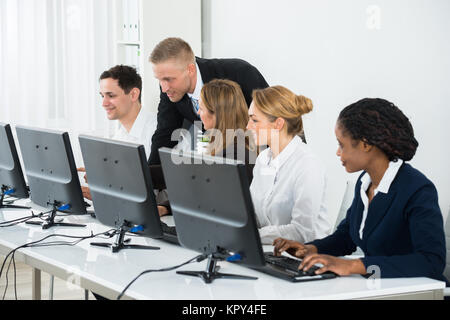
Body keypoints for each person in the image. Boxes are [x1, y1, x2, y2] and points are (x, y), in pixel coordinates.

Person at [273, 98, 448, 283]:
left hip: (419, 291)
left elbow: (431, 261)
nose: (338, 152)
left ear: (366, 144)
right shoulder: (365, 182)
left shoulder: (417, 189)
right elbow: (347, 236)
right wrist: (311, 249)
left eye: (342, 144)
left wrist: (354, 265)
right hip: (382, 287)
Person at [148, 37, 268, 165]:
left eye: (169, 79)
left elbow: (272, 121)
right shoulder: (170, 88)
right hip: (215, 156)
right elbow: (165, 133)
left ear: (190, 70)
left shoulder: (240, 73)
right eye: (159, 79)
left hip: (252, 159)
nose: (164, 88)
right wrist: (148, 177)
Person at [158, 79, 257, 216]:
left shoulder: (237, 154)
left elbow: (207, 196)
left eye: (201, 108)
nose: (198, 113)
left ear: (217, 114)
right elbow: (194, 186)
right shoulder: (209, 139)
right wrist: (166, 207)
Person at [247, 86, 332, 245]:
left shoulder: (308, 164)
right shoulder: (263, 159)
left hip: (306, 256)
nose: (247, 126)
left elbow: (302, 232)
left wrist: (254, 236)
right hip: (271, 252)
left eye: (254, 120)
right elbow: (253, 215)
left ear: (278, 124)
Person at [78, 65, 167, 216]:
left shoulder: (160, 132)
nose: (104, 103)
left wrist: (102, 194)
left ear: (133, 94)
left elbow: (154, 188)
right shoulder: (119, 137)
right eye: (102, 96)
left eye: (111, 95)